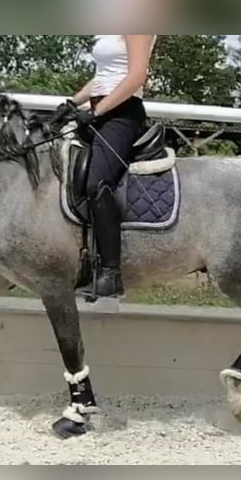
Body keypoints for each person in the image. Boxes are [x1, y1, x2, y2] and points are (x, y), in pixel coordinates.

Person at [55, 35, 158, 300]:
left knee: (97, 182)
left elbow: (136, 76)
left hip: (123, 115)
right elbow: (104, 77)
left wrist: (98, 112)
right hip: (100, 110)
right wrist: (73, 102)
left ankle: (111, 273)